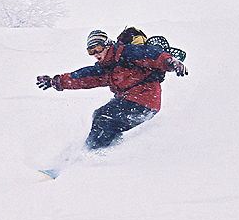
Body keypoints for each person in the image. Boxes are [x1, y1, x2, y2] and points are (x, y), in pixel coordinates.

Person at [37, 29, 188, 151]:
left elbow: (152, 55)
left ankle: (91, 154)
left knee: (104, 117)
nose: (96, 54)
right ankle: (110, 152)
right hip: (132, 102)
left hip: (144, 101)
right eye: (91, 51)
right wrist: (55, 81)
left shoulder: (126, 53)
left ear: (107, 45)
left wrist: (171, 62)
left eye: (98, 48)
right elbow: (84, 77)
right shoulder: (106, 68)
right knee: (100, 115)